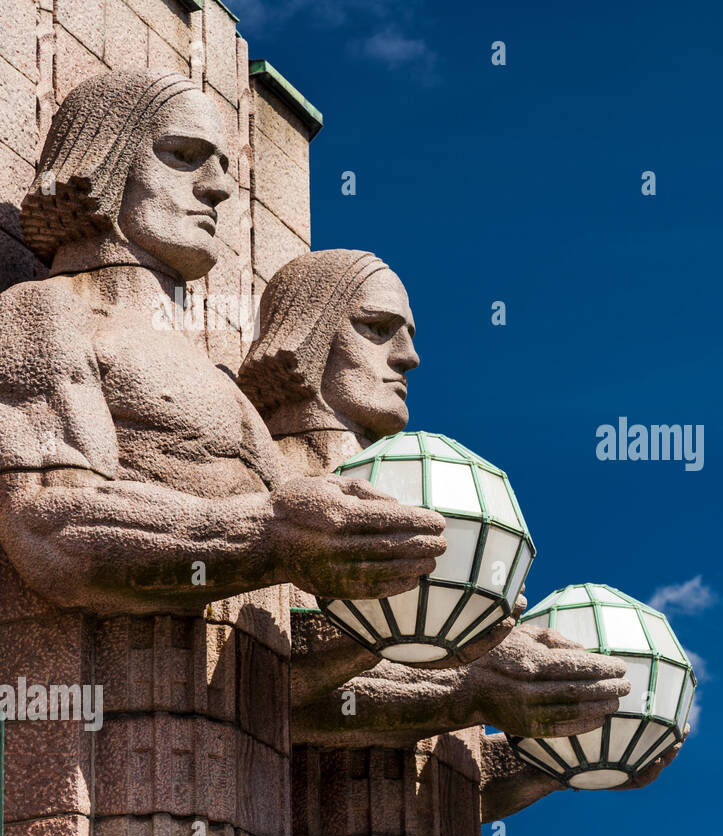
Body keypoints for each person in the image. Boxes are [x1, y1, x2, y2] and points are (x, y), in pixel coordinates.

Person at [239, 250, 680, 824]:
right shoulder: (274, 484)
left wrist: (561, 749)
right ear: (307, 329)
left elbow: (445, 778)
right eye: (376, 329)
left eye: (409, 335)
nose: (408, 357)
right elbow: (261, 678)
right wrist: (475, 686)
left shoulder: (442, 505)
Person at [0, 71, 443, 614]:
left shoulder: (221, 383)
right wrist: (272, 533)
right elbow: (47, 525)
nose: (218, 187)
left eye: (224, 166)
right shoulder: (48, 310)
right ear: (101, 162)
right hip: (112, 688)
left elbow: (283, 604)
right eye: (183, 155)